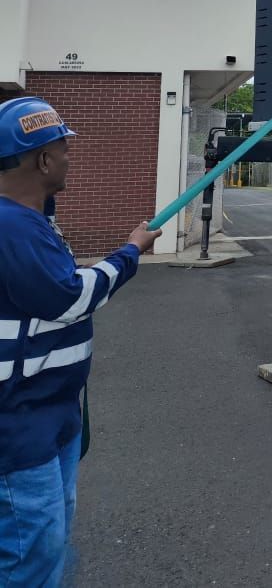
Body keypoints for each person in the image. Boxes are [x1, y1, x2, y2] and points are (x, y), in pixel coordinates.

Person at [0, 96, 161, 586]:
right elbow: (69, 297)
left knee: (45, 544)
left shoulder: (28, 220)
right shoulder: (12, 226)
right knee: (30, 556)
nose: (70, 158)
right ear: (43, 160)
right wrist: (131, 251)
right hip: (19, 425)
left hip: (48, 416)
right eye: (64, 149)